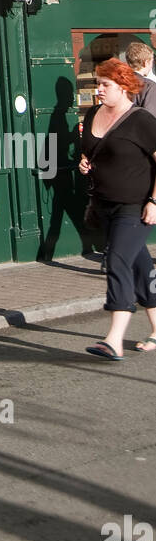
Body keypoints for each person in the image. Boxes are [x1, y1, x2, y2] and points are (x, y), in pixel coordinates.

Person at [78, 59, 156, 359]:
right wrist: (86, 163)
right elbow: (94, 151)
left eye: (104, 85)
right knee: (140, 266)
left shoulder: (142, 121)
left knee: (117, 260)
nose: (98, 90)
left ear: (123, 87)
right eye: (97, 83)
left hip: (135, 207)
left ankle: (113, 339)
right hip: (104, 204)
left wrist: (154, 201)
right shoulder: (95, 113)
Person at [125, 40, 156, 118]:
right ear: (146, 62)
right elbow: (150, 117)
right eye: (152, 61)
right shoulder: (149, 86)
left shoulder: (118, 82)